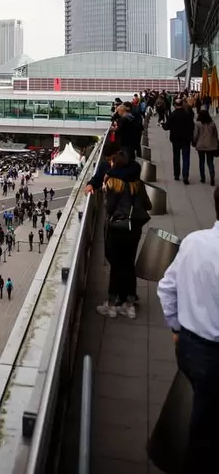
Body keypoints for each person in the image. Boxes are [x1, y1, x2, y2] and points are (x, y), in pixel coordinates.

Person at [157, 186, 219, 468]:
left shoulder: (194, 242)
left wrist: (175, 328)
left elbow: (166, 288)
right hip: (209, 355)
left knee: (203, 416)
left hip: (192, 346)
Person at [96, 150, 152, 319]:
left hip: (118, 228)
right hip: (134, 228)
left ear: (118, 164)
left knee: (116, 266)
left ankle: (112, 305)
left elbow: (110, 209)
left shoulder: (113, 183)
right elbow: (148, 205)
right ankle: (129, 304)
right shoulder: (137, 184)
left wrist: (105, 191)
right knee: (129, 264)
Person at [163, 97, 195, 183]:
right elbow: (192, 126)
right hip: (186, 139)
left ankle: (176, 175)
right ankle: (185, 176)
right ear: (182, 105)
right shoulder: (187, 115)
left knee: (176, 157)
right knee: (186, 157)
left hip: (175, 139)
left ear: (175, 105)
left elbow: (166, 127)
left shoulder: (173, 115)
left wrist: (163, 124)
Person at [192, 108, 218, 186]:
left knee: (201, 161)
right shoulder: (212, 124)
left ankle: (202, 177)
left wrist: (194, 141)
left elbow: (195, 135)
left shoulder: (198, 124)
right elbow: (215, 134)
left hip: (201, 145)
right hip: (211, 145)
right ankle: (212, 176)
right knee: (210, 162)